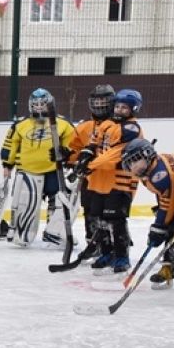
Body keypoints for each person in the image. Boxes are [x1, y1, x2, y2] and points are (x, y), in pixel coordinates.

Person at [118, 139, 174, 289]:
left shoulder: (161, 174)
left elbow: (169, 204)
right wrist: (161, 225)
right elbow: (166, 198)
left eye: (136, 160)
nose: (133, 167)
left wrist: (158, 226)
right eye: (129, 163)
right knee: (170, 228)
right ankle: (168, 267)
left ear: (148, 154)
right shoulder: (150, 169)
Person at [0, 89, 76, 246]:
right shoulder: (21, 125)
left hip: (55, 170)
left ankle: (54, 232)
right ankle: (23, 233)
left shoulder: (63, 123)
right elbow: (10, 144)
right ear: (30, 106)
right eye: (36, 105)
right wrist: (7, 164)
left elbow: (73, 144)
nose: (39, 108)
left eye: (43, 104)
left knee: (60, 201)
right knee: (26, 205)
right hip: (28, 171)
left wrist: (68, 157)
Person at [77, 89, 144, 273]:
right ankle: (106, 252)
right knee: (99, 219)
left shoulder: (131, 129)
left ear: (133, 109)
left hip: (120, 182)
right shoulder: (106, 124)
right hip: (100, 182)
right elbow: (94, 142)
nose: (119, 110)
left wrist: (90, 165)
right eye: (118, 106)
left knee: (116, 220)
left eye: (124, 108)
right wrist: (85, 155)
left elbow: (114, 156)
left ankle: (122, 256)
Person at [67, 84, 116, 254]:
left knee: (111, 214)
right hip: (90, 179)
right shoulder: (84, 127)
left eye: (103, 100)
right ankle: (93, 243)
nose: (99, 104)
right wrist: (65, 156)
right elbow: (75, 150)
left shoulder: (119, 126)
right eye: (96, 101)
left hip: (113, 179)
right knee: (90, 211)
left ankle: (113, 246)